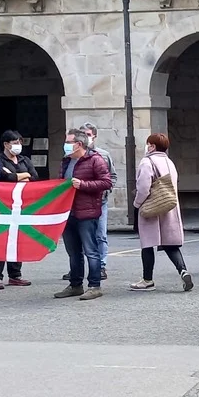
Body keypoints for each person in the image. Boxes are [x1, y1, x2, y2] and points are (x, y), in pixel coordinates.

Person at [55, 128, 114, 301]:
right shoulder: (66, 161)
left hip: (87, 212)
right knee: (73, 252)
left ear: (79, 144)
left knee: (91, 251)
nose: (65, 145)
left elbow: (106, 182)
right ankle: (75, 285)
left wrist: (83, 185)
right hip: (68, 212)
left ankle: (94, 286)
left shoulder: (95, 159)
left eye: (68, 142)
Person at [129, 133, 192, 292]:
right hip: (168, 206)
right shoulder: (169, 162)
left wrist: (137, 204)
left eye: (148, 144)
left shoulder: (147, 162)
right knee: (170, 244)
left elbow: (143, 188)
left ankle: (147, 280)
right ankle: (183, 270)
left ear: (152, 146)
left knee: (147, 244)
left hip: (151, 206)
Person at [0, 130, 37, 289]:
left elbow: (34, 177)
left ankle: (15, 275)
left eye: (20, 142)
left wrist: (18, 175)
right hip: (2, 204)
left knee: (17, 238)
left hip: (21, 204)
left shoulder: (24, 160)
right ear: (6, 144)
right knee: (0, 239)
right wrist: (23, 175)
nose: (18, 145)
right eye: (15, 143)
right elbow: (6, 177)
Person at [80, 123, 116, 280]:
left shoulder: (103, 155)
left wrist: (107, 190)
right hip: (81, 202)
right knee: (81, 236)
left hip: (100, 201)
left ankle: (101, 266)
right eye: (82, 134)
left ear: (94, 136)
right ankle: (78, 268)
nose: (85, 137)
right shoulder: (75, 155)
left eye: (88, 134)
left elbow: (112, 176)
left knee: (100, 235)